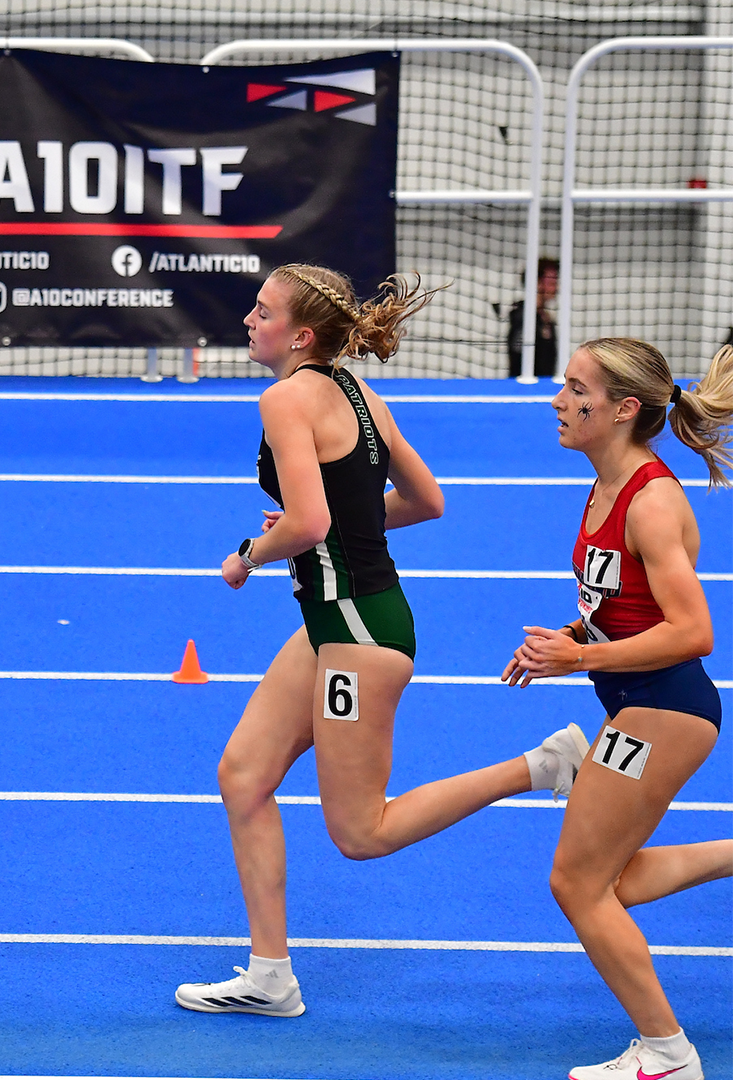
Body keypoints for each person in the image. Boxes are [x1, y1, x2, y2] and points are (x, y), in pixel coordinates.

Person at [174, 264, 590, 1017]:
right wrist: (321, 528)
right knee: (242, 776)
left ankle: (541, 765)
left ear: (300, 335)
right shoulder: (362, 395)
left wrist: (249, 554)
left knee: (361, 833)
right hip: (339, 622)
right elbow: (424, 501)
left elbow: (310, 524)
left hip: (359, 630)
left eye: (261, 311)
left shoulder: (284, 399)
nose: (247, 319)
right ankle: (270, 976)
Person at [501, 338, 731, 1080]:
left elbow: (693, 632)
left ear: (625, 409)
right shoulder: (604, 484)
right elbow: (623, 604)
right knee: (611, 882)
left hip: (664, 708)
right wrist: (570, 634)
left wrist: (582, 659)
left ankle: (667, 1055)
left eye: (576, 390)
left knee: (575, 883)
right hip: (636, 702)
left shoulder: (652, 500)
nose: (558, 402)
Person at [508, 256, 560, 379]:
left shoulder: (546, 319)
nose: (556, 288)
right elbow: (517, 356)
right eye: (552, 283)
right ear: (537, 283)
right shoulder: (523, 318)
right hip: (525, 389)